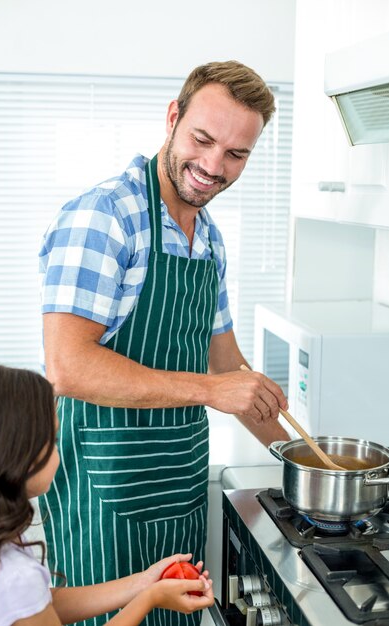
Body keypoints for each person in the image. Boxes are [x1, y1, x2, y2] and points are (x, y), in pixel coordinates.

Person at [39, 60, 290, 626]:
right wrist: (212, 390)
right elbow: (67, 365)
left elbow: (229, 367)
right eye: (203, 140)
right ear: (173, 117)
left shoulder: (209, 240)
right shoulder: (106, 218)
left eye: (236, 155)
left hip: (176, 498)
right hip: (102, 504)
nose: (212, 166)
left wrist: (304, 465)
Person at [0, 362, 214, 626]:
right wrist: (150, 598)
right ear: (18, 457)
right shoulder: (17, 578)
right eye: (53, 440)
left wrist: (143, 583)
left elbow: (42, 605)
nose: (59, 450)